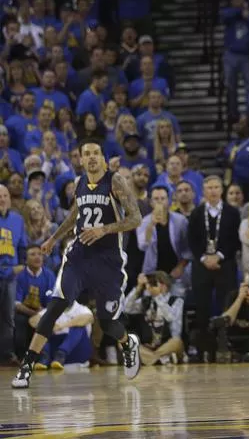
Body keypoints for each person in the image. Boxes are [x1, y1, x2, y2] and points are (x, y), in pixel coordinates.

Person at [12, 139, 143, 389]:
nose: (92, 157)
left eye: (96, 153)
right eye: (87, 154)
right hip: (79, 257)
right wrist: (54, 238)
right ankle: (26, 368)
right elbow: (74, 215)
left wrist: (104, 229)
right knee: (55, 306)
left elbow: (135, 218)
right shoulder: (80, 182)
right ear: (81, 160)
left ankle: (128, 343)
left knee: (106, 322)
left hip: (107, 261)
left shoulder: (115, 181)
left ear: (103, 158)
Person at [187, 176, 241, 361]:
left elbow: (235, 240)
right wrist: (204, 258)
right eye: (209, 187)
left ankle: (226, 346)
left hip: (225, 264)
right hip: (202, 265)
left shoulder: (232, 213)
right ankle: (204, 350)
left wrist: (219, 256)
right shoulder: (196, 213)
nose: (213, 191)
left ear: (221, 190)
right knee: (202, 307)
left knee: (227, 304)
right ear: (204, 190)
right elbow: (191, 241)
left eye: (216, 187)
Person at [123, 271, 184, 366]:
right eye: (147, 284)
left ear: (164, 285)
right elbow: (126, 308)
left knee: (176, 341)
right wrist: (138, 288)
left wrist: (158, 297)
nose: (149, 287)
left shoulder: (177, 301)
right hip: (148, 345)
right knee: (124, 340)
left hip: (167, 345)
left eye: (152, 284)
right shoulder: (146, 301)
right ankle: (160, 359)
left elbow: (171, 318)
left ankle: (149, 359)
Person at [0, 184, 27, 365]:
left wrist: (21, 265)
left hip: (10, 277)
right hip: (4, 271)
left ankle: (8, 354)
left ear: (10, 199)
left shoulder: (18, 220)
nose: (2, 199)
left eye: (5, 196)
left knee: (8, 318)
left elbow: (22, 247)